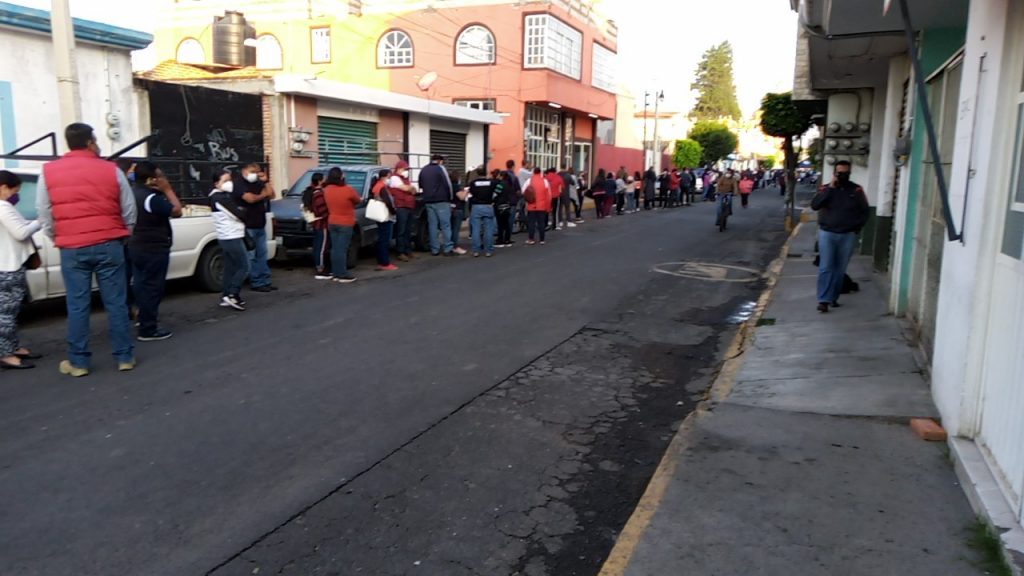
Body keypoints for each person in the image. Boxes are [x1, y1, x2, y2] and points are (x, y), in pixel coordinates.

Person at [36, 123, 137, 376]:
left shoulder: (48, 171)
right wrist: (124, 232)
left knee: (78, 305)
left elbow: (44, 212)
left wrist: (58, 236)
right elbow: (128, 208)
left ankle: (79, 362)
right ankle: (124, 357)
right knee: (116, 303)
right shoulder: (112, 170)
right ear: (91, 142)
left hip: (72, 248)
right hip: (109, 243)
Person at [128, 161, 182, 342]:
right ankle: (148, 328)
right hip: (153, 247)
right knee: (152, 287)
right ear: (151, 179)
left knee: (140, 284)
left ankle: (142, 316)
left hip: (136, 244)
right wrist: (167, 190)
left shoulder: (132, 193)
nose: (163, 179)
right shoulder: (151, 198)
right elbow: (177, 211)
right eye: (160, 176)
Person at [811, 160, 870, 313]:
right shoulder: (825, 189)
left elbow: (864, 212)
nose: (842, 175)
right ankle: (823, 300)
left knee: (839, 269)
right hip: (827, 234)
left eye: (845, 173)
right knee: (826, 267)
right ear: (834, 173)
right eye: (839, 173)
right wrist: (830, 188)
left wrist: (855, 228)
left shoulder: (856, 190)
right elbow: (815, 205)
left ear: (849, 173)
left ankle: (833, 297)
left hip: (847, 235)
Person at [0, 171, 42, 369]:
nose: (16, 194)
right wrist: (40, 222)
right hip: (9, 266)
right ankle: (6, 354)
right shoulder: (3, 207)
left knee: (9, 311)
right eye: (14, 189)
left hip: (5, 265)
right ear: (3, 187)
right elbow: (20, 232)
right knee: (6, 314)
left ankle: (12, 346)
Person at [209, 171, 250, 311]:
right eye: (225, 180)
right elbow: (239, 213)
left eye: (229, 180)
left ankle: (227, 294)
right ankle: (232, 293)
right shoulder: (219, 198)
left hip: (227, 236)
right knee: (244, 266)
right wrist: (242, 210)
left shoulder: (221, 197)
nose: (229, 183)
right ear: (216, 183)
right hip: (231, 236)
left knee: (230, 267)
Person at [233, 162, 276, 292]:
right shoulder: (239, 183)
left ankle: (265, 280)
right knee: (251, 255)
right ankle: (256, 282)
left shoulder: (258, 182)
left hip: (260, 223)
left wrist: (266, 181)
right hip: (248, 225)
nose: (255, 175)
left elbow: (272, 195)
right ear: (244, 171)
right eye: (253, 171)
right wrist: (262, 195)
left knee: (262, 254)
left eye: (257, 172)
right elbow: (249, 198)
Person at [323, 167, 362, 283]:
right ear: (341, 177)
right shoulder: (348, 190)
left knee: (335, 248)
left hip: (332, 220)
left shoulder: (327, 189)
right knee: (342, 249)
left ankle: (336, 272)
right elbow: (357, 200)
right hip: (345, 222)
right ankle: (342, 273)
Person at [419, 154, 460, 256]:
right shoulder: (440, 168)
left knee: (433, 225)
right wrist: (450, 199)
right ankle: (447, 248)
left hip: (428, 201)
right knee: (445, 225)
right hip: (441, 201)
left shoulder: (424, 169)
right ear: (440, 161)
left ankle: (434, 249)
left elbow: (420, 184)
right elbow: (448, 184)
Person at [388, 160, 418, 262]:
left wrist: (411, 188)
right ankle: (400, 252)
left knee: (408, 230)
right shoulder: (395, 178)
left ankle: (407, 250)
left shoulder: (405, 179)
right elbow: (406, 189)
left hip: (409, 206)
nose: (407, 171)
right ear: (399, 169)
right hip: (401, 207)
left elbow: (414, 190)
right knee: (401, 230)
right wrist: (410, 188)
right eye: (405, 169)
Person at [371, 168, 398, 271]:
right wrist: (394, 211)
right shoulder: (382, 187)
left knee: (382, 238)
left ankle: (381, 261)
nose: (390, 178)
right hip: (385, 216)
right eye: (389, 176)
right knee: (385, 240)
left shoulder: (376, 186)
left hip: (380, 216)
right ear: (385, 176)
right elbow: (388, 202)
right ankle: (385, 262)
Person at [467, 166, 497, 257]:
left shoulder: (473, 183)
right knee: (488, 229)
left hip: (476, 207)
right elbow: (495, 194)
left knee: (476, 229)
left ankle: (476, 250)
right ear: (486, 173)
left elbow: (470, 194)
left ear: (477, 173)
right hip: (488, 206)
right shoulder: (491, 183)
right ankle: (488, 251)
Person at [310, 173, 331, 279]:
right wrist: (328, 215)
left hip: (318, 224)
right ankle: (321, 269)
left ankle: (320, 266)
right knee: (322, 247)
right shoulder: (318, 194)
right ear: (319, 181)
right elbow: (322, 210)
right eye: (324, 179)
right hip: (322, 224)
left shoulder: (315, 192)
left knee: (319, 246)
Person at [525, 167, 551, 245]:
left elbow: (524, 191)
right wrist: (548, 207)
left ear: (533, 172)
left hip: (531, 205)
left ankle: (531, 239)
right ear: (540, 172)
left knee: (531, 223)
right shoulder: (545, 181)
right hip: (542, 206)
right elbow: (549, 195)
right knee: (541, 223)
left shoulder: (529, 180)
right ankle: (542, 239)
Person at [494, 169, 514, 248]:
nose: (498, 176)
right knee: (506, 224)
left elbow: (495, 194)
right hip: (507, 205)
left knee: (500, 224)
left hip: (500, 205)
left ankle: (500, 240)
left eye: (499, 175)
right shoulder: (509, 184)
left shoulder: (500, 184)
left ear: (502, 176)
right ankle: (507, 239)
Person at [449, 169, 467, 251]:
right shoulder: (456, 186)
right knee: (456, 229)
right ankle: (455, 246)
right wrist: (466, 192)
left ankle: (450, 245)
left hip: (450, 208)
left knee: (451, 228)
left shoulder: (448, 186)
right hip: (457, 209)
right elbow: (461, 197)